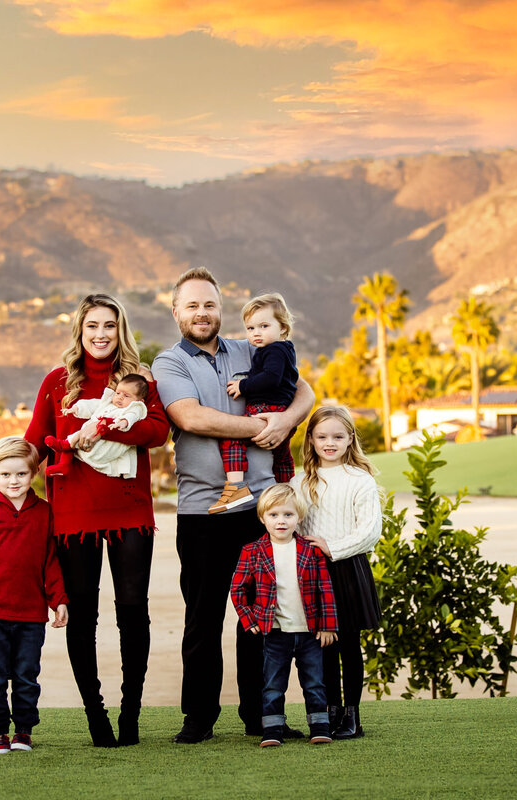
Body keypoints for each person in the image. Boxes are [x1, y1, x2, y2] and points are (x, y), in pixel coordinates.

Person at [0, 294, 168, 748]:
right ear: (79, 333)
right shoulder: (56, 383)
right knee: (82, 616)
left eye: (109, 325)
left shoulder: (139, 381)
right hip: (73, 515)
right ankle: (96, 716)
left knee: (132, 612)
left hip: (129, 509)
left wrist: (106, 426)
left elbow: (158, 432)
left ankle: (131, 714)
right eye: (92, 327)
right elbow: (31, 449)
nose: (101, 334)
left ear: (120, 330)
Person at [153, 267, 315, 744]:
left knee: (260, 615)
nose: (201, 313)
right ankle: (198, 718)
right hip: (202, 510)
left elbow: (303, 389)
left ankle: (261, 716)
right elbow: (190, 417)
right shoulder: (169, 363)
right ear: (177, 312)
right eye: (192, 305)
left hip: (260, 509)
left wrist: (285, 420)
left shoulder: (252, 348)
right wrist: (259, 427)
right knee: (203, 618)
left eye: (209, 305)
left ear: (220, 309)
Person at [0, 436, 69, 754]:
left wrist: (58, 599)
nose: (13, 481)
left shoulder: (44, 513)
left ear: (33, 473)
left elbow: (50, 560)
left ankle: (23, 731)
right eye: (5, 474)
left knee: (26, 676)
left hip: (30, 616)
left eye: (21, 474)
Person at [290, 405, 383, 739]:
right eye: (322, 436)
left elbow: (370, 530)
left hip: (347, 569)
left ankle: (352, 717)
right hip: (312, 572)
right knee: (322, 646)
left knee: (348, 646)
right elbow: (290, 522)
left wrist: (332, 546)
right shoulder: (299, 481)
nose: (329, 443)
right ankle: (328, 712)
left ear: (349, 439)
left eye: (338, 436)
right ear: (311, 440)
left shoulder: (360, 480)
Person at [231, 484, 337, 747]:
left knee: (314, 683)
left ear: (298, 518)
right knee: (273, 685)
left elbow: (325, 590)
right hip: (275, 633)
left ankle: (320, 727)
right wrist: (249, 620)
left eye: (288, 515)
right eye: (274, 515)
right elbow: (238, 589)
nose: (281, 521)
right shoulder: (252, 551)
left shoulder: (310, 550)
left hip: (309, 633)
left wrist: (327, 626)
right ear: (262, 518)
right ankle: (272, 730)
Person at [210, 293, 300, 514]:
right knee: (281, 455)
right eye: (250, 328)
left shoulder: (275, 350)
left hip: (267, 409)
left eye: (264, 326)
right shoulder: (282, 349)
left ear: (283, 327)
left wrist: (244, 386)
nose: (256, 333)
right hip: (281, 410)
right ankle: (287, 493)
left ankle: (236, 487)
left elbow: (271, 378)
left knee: (232, 437)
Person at [44, 374, 150, 479]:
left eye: (126, 395)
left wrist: (123, 422)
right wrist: (76, 408)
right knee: (74, 439)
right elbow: (91, 405)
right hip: (86, 439)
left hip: (105, 446)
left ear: (139, 401)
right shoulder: (108, 403)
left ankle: (62, 445)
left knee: (76, 439)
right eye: (118, 393)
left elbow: (131, 416)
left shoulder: (135, 408)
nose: (120, 397)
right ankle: (64, 464)